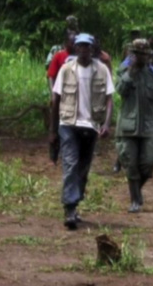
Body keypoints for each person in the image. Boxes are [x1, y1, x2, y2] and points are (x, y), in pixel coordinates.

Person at [50, 33, 114, 230]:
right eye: (81, 46)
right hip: (69, 124)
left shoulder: (102, 70)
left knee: (83, 169)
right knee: (70, 164)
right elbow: (56, 99)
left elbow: (109, 98)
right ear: (76, 49)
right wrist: (53, 131)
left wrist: (107, 123)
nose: (84, 50)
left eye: (87, 46)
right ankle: (69, 208)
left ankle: (75, 203)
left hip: (91, 126)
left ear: (92, 49)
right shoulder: (66, 69)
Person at [115, 39, 153, 213]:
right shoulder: (124, 71)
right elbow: (120, 91)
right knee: (130, 162)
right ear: (132, 55)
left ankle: (137, 189)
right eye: (137, 54)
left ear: (148, 56)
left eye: (144, 55)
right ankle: (135, 199)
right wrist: (130, 72)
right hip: (128, 125)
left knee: (150, 161)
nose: (140, 58)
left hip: (149, 126)